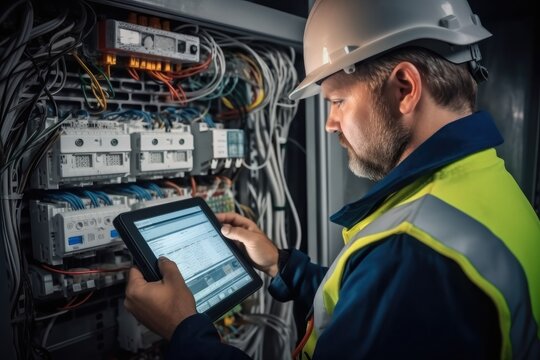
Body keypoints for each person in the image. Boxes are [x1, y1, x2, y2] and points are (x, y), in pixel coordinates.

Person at [124, 0, 540, 358]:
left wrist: (184, 332)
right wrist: (281, 264)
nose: (329, 123)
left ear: (404, 89)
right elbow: (371, 307)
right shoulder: (485, 184)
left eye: (338, 101)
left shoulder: (412, 251)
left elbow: (397, 288)